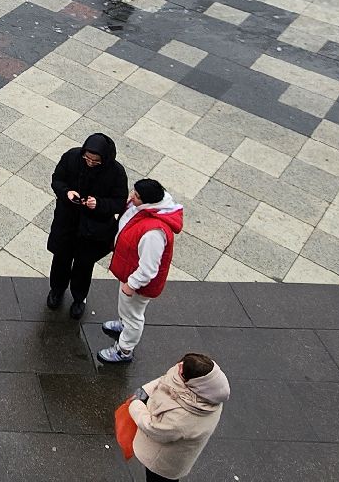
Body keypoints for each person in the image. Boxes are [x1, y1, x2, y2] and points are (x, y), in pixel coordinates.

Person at [99, 178, 184, 364]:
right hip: (129, 273)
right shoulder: (148, 211)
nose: (131, 197)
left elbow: (148, 268)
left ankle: (124, 350)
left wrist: (132, 284)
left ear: (148, 201)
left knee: (134, 317)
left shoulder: (154, 233)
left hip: (136, 282)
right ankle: (123, 324)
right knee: (127, 310)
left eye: (136, 196)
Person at [45, 133, 129, 319]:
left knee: (84, 266)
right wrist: (66, 193)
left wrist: (98, 204)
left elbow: (119, 202)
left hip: (93, 230)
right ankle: (56, 291)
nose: (90, 163)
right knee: (61, 259)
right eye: (87, 158)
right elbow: (57, 180)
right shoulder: (72, 157)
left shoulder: (116, 172)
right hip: (67, 221)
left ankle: (79, 298)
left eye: (95, 161)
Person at [128, 353, 230, 482]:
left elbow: (154, 429)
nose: (177, 368)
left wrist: (135, 405)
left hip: (164, 462)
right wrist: (147, 389)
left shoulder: (182, 419)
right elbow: (169, 380)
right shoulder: (210, 387)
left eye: (181, 371)